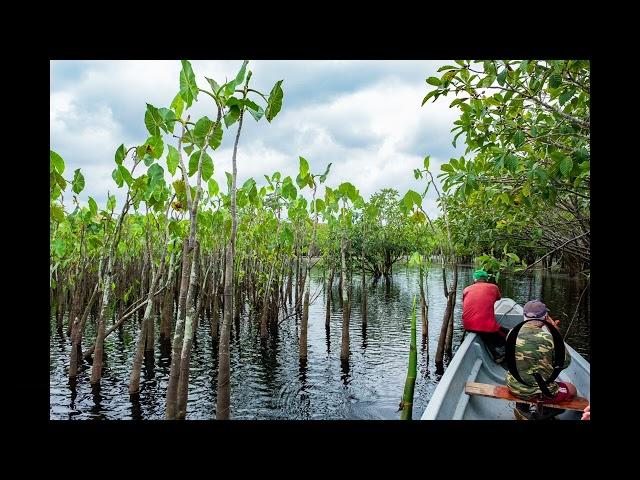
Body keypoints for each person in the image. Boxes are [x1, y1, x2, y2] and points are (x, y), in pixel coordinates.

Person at [507, 300, 577, 420]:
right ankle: (538, 416)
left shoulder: (511, 332)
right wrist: (555, 331)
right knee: (572, 389)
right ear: (545, 317)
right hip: (541, 390)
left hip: (514, 386)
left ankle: (522, 409)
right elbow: (565, 362)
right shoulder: (549, 338)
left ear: (524, 316)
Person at [462, 269, 507, 362]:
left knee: (487, 334)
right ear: (486, 279)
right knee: (505, 334)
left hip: (468, 326)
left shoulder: (466, 289)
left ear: (474, 279)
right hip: (486, 326)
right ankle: (500, 355)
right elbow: (498, 298)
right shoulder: (493, 287)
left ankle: (498, 354)